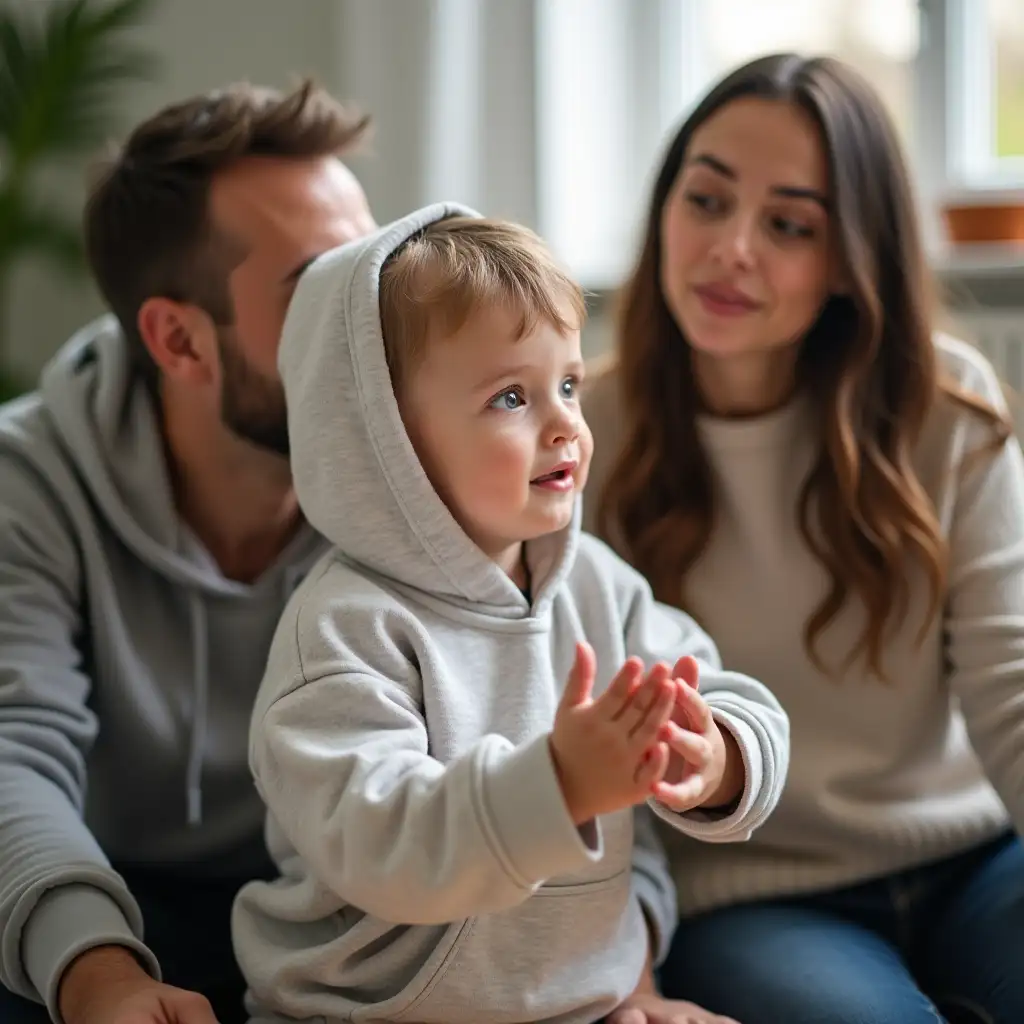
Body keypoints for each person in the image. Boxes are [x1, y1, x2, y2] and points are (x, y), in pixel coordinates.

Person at [231, 205, 787, 1024]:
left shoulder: (600, 586)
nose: (565, 422)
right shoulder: (347, 628)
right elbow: (381, 841)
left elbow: (730, 696)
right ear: (391, 447)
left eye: (569, 385)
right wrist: (559, 785)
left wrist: (719, 758)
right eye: (511, 397)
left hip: (584, 1005)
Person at [583, 52, 1024, 1024]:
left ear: (848, 260)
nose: (730, 247)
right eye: (705, 200)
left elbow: (1013, 688)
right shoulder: (582, 432)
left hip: (978, 855)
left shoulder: (943, 411)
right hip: (753, 892)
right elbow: (555, 717)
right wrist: (626, 976)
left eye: (788, 224)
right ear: (664, 210)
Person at [0, 81, 377, 1024]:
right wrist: (95, 971)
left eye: (371, 268)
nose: (373, 320)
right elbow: (13, 757)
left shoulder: (419, 461)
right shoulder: (26, 482)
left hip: (340, 903)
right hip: (105, 894)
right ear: (178, 338)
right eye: (320, 284)